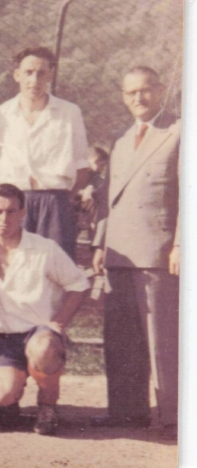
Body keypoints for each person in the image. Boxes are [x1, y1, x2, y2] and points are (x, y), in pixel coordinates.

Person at [91, 66, 179, 439]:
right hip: (119, 252)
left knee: (163, 339)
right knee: (122, 338)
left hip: (158, 251)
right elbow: (109, 197)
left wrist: (181, 243)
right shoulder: (122, 138)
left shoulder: (181, 132)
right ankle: (127, 412)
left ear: (160, 91)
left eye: (145, 91)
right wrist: (99, 243)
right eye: (131, 93)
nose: (138, 99)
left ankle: (176, 415)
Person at [0, 184, 89, 435]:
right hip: (3, 338)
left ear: (23, 212)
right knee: (3, 394)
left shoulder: (44, 248)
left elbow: (79, 285)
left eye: (11, 211)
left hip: (38, 334)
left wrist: (59, 323)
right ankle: (9, 403)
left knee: (44, 347)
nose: (4, 219)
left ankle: (47, 406)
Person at [0, 46, 90, 260]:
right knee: (15, 267)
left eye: (41, 73)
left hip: (55, 203)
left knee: (56, 269)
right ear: (17, 75)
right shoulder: (1, 114)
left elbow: (82, 165)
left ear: (50, 76)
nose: (34, 80)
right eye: (28, 72)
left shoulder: (69, 112)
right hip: (15, 203)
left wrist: (61, 201)